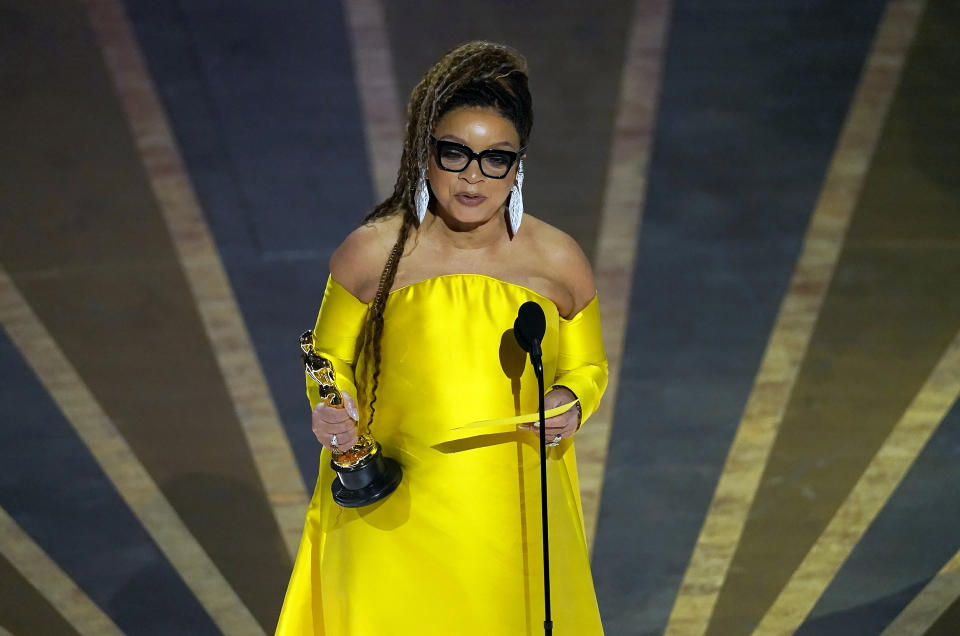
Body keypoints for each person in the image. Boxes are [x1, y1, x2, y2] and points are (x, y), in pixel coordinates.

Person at [276, 41, 608, 635]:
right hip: (394, 502)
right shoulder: (374, 251)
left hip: (511, 504)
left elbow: (588, 366)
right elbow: (327, 358)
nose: (473, 176)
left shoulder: (557, 259)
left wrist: (571, 402)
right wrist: (332, 410)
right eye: (454, 153)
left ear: (518, 166)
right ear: (424, 156)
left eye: (495, 159)